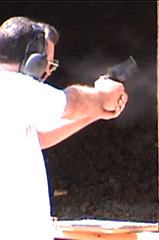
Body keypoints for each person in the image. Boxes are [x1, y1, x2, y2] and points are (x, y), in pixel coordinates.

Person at [0, 16, 128, 239]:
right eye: (48, 64)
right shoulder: (13, 87)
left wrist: (96, 111)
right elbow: (73, 103)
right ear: (34, 60)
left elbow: (38, 137)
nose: (48, 72)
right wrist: (103, 95)